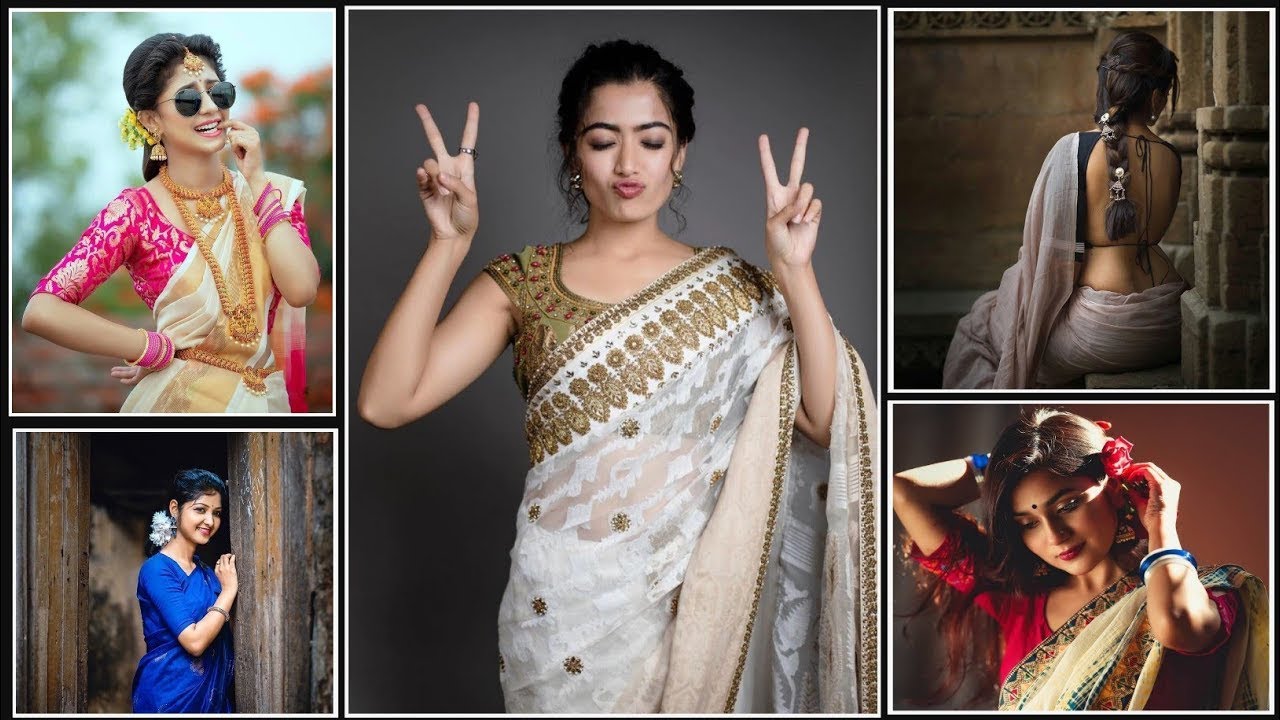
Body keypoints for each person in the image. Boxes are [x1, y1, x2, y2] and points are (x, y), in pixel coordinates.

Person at [359, 40, 876, 713]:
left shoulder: (735, 290)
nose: (628, 165)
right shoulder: (523, 283)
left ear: (679, 152)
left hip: (694, 603)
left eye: (651, 141)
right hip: (558, 607)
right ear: (574, 152)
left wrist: (795, 271)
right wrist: (447, 244)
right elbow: (384, 402)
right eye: (603, 141)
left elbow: (826, 420)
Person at [21, 33, 320, 412]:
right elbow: (42, 311)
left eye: (219, 93)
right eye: (189, 99)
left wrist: (257, 182)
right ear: (151, 120)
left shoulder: (273, 193)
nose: (210, 107)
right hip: (177, 404)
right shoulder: (135, 213)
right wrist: (149, 347)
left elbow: (302, 289)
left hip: (266, 404)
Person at [893, 409, 1268, 710]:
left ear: (1116, 488)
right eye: (1028, 523)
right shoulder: (1017, 601)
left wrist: (1161, 524)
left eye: (1068, 505)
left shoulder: (1204, 594)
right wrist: (1001, 467)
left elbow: (1175, 624)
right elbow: (905, 491)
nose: (1054, 535)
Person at [943, 32, 1188, 388]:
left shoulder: (1074, 149)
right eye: (1165, 94)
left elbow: (1043, 252)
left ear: (1109, 86)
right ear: (1154, 96)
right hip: (1168, 319)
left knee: (980, 323)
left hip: (1102, 331)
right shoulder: (1172, 155)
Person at [132, 469, 237, 713]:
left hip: (212, 700)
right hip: (169, 697)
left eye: (217, 513)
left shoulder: (209, 575)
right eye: (200, 509)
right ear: (174, 508)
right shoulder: (157, 570)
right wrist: (229, 591)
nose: (210, 521)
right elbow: (195, 641)